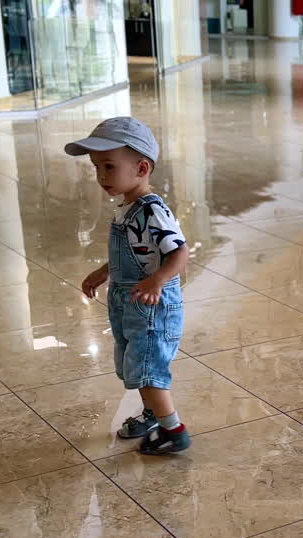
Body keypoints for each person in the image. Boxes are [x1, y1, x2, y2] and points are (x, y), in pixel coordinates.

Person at [66, 117, 191, 455]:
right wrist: (105, 271)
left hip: (151, 305)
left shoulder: (152, 211)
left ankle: (174, 430)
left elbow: (179, 252)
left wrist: (157, 280)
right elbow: (138, 252)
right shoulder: (127, 207)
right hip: (129, 300)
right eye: (96, 168)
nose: (101, 177)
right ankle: (153, 413)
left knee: (149, 369)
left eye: (108, 166)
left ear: (141, 168)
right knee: (132, 365)